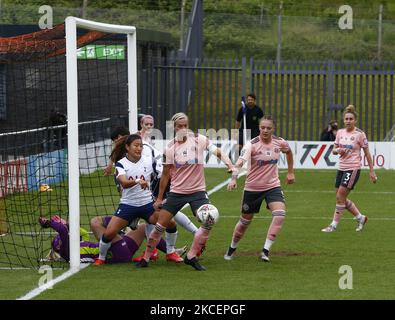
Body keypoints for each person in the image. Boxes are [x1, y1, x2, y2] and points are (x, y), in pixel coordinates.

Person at [135, 112, 235, 271]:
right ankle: (146, 258)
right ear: (173, 127)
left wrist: (230, 165)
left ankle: (191, 256)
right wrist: (160, 199)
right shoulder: (170, 148)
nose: (183, 129)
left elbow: (218, 152)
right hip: (176, 193)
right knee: (160, 226)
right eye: (179, 126)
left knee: (209, 220)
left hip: (198, 192)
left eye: (185, 125)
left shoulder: (199, 139)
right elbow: (165, 175)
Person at [94, 134, 183, 265]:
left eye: (141, 146)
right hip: (127, 206)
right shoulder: (120, 164)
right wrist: (137, 181)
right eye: (136, 145)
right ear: (127, 147)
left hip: (147, 205)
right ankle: (101, 258)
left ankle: (170, 253)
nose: (139, 148)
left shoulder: (148, 160)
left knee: (170, 223)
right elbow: (124, 182)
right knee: (109, 233)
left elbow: (163, 171)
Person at [224, 115, 295, 262]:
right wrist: (233, 179)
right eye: (263, 127)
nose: (265, 130)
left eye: (268, 128)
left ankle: (265, 251)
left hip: (272, 186)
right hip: (253, 188)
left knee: (280, 214)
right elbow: (239, 163)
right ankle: (231, 248)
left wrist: (290, 172)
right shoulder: (251, 144)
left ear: (273, 129)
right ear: (259, 128)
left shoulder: (279, 142)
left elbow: (288, 152)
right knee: (244, 223)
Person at [321, 105, 377, 233]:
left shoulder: (360, 134)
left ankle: (333, 226)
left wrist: (372, 171)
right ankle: (360, 217)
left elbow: (367, 153)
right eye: (346, 119)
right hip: (341, 168)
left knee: (340, 195)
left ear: (355, 120)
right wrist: (338, 150)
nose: (348, 121)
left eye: (350, 119)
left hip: (353, 169)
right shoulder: (340, 133)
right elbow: (334, 150)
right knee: (340, 197)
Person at [38, 214, 175, 263]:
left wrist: (65, 223)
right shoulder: (65, 249)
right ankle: (127, 221)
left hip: (118, 248)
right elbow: (62, 230)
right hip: (113, 254)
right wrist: (50, 223)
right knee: (95, 222)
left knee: (144, 227)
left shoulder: (72, 244)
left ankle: (171, 251)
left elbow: (78, 231)